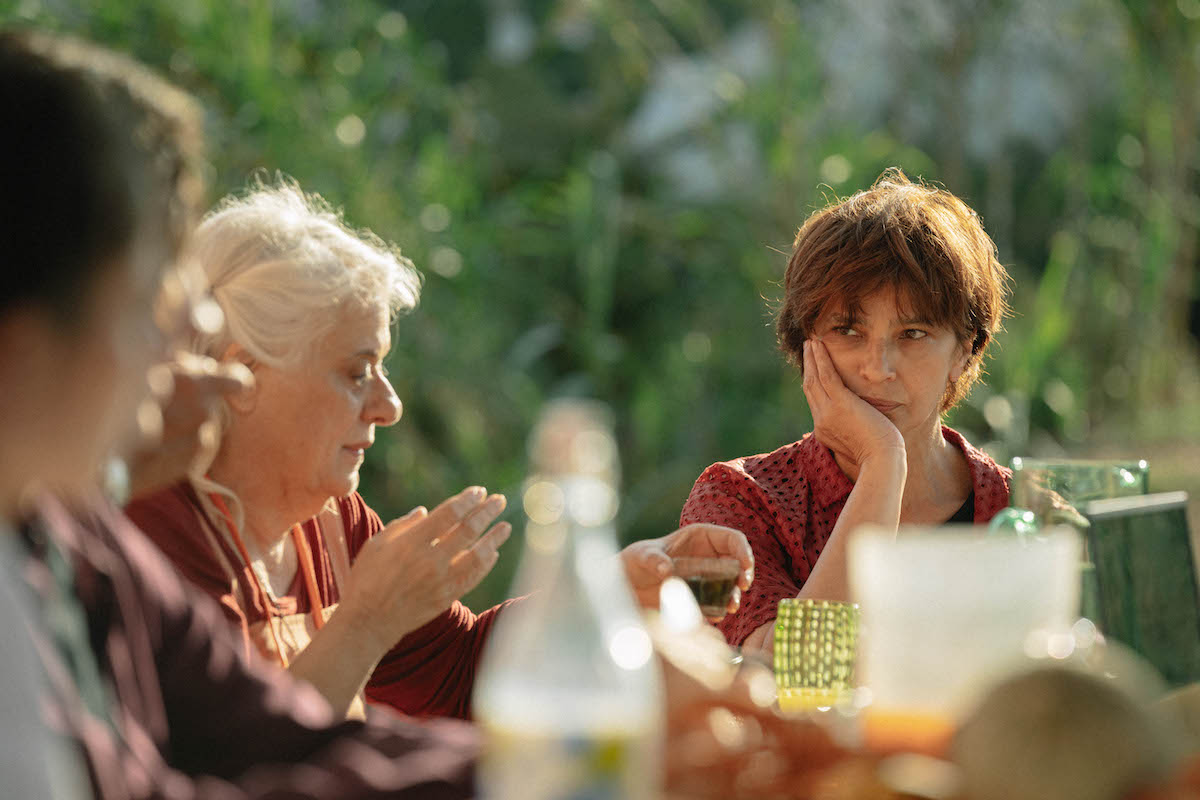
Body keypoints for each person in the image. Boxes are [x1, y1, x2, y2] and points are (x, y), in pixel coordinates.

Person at [0, 28, 480, 798]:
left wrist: (581, 762)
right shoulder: (126, 524)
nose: (174, 352)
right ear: (22, 347)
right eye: (141, 314)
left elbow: (275, 738)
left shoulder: (69, 537)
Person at [125, 180, 755, 721]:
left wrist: (607, 587)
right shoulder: (155, 534)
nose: (388, 406)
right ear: (244, 376)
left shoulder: (334, 524)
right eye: (356, 371)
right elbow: (230, 768)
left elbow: (456, 679)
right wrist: (366, 620)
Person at [680, 169, 1012, 656]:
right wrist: (883, 462)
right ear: (805, 342)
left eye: (913, 334)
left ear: (964, 349)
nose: (878, 369)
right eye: (848, 331)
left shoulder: (1020, 511)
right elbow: (787, 675)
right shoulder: (740, 500)